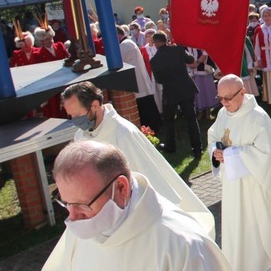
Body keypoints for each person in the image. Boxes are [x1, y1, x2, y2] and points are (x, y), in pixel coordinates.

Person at [37, 141, 257, 271]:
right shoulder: (84, 227)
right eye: (66, 204)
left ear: (121, 187)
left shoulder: (182, 246)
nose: (73, 218)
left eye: (82, 206)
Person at [61, 82, 214, 238]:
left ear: (94, 106)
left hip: (127, 215)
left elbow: (143, 175)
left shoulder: (122, 133)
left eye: (77, 115)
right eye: (71, 116)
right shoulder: (80, 136)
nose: (75, 121)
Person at [208, 75, 271, 271]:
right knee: (236, 227)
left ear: (242, 92)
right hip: (232, 184)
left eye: (228, 98)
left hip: (254, 184)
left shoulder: (258, 117)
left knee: (255, 226)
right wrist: (215, 153)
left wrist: (231, 154)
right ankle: (242, 270)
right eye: (221, 98)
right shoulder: (222, 114)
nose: (224, 103)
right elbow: (214, 135)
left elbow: (264, 154)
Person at [149, 32, 203, 158]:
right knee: (191, 119)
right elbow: (191, 59)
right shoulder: (177, 50)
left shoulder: (155, 60)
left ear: (156, 43)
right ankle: (197, 148)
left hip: (170, 92)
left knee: (168, 120)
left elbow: (159, 80)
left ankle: (170, 146)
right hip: (185, 88)